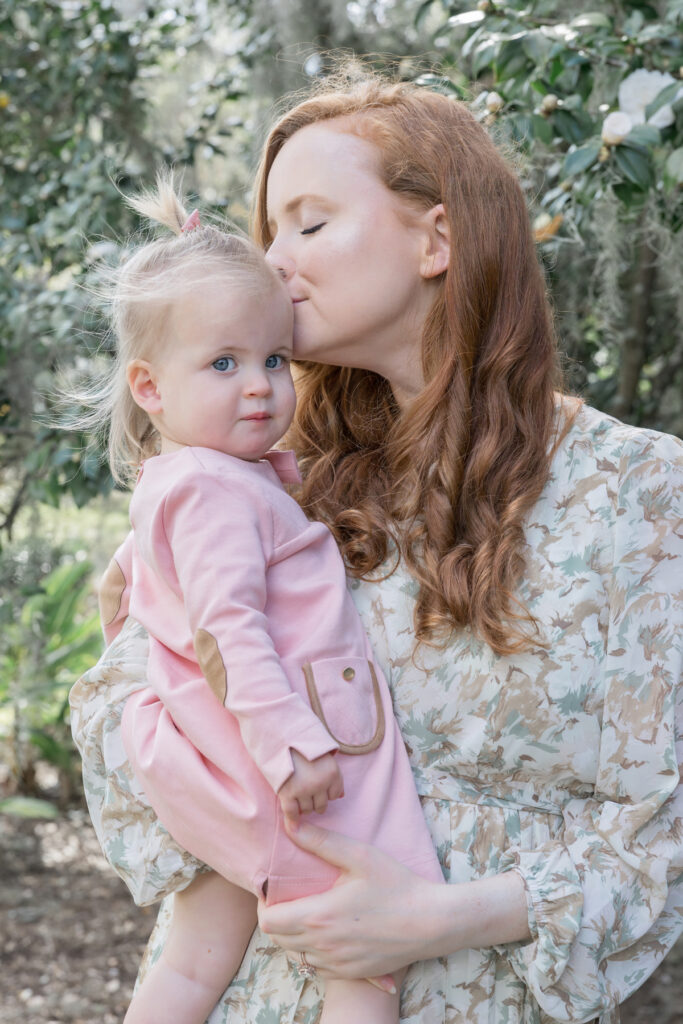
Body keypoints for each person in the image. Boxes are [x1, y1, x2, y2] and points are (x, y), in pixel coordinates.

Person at [70, 70, 683, 1024]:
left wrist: (430, 918)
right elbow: (134, 710)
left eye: (308, 225)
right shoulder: (260, 480)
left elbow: (663, 837)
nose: (272, 265)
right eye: (268, 232)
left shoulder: (640, 493)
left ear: (436, 238)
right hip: (244, 990)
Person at [73, 175, 443, 1024]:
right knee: (364, 972)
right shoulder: (209, 492)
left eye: (275, 360)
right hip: (288, 766)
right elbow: (226, 629)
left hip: (227, 767)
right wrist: (288, 748)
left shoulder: (202, 478)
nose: (258, 387)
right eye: (224, 363)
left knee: (195, 960)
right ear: (150, 389)